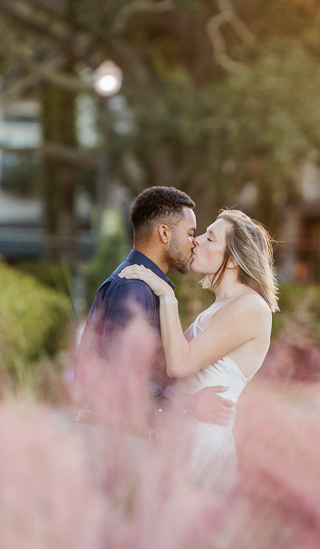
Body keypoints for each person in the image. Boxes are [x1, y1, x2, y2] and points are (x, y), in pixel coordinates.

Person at [119, 209, 279, 480]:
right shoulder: (218, 307)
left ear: (233, 260)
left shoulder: (251, 306)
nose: (197, 240)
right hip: (179, 437)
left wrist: (166, 295)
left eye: (210, 238)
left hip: (202, 447)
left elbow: (179, 364)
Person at [75, 186, 234, 439]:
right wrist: (191, 405)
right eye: (190, 233)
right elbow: (122, 381)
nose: (194, 242)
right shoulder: (133, 289)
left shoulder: (146, 288)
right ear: (164, 233)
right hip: (116, 439)